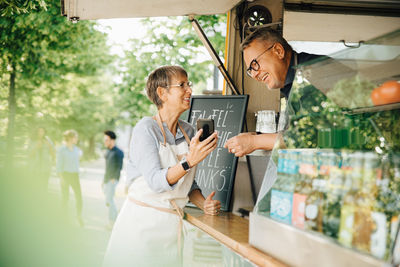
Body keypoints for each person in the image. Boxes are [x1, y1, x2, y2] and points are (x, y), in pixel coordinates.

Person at [103, 66, 220, 267]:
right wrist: (189, 161)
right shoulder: (145, 129)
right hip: (140, 229)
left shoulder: (189, 131)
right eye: (182, 85)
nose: (189, 90)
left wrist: (204, 204)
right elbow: (157, 182)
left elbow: (187, 183)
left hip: (170, 231)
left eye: (188, 84)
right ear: (162, 93)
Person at [224, 27, 322, 157]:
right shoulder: (292, 82)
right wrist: (257, 136)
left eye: (255, 64)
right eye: (250, 70)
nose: (254, 75)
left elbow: (308, 137)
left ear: (278, 51)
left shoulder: (313, 72)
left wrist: (254, 141)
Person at [56, 129, 84, 227]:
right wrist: (61, 178)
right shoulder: (62, 150)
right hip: (65, 175)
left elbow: (78, 160)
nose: (77, 139)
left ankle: (78, 216)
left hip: (75, 175)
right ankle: (64, 218)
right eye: (76, 137)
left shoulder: (77, 149)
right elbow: (59, 165)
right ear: (70, 138)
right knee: (65, 197)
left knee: (79, 197)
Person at [103, 130, 124, 229]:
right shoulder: (108, 152)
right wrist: (103, 181)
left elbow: (119, 167)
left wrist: (113, 179)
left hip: (112, 180)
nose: (105, 142)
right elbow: (107, 168)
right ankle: (115, 221)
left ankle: (113, 223)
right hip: (106, 180)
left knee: (109, 201)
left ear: (112, 140)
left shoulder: (119, 152)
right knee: (109, 201)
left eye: (107, 140)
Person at [28, 127, 55, 192]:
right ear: (36, 132)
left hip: (45, 168)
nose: (41, 133)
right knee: (35, 189)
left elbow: (53, 155)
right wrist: (36, 147)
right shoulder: (32, 141)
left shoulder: (48, 140)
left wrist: (49, 146)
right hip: (35, 168)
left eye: (42, 131)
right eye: (39, 131)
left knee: (44, 188)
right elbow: (29, 155)